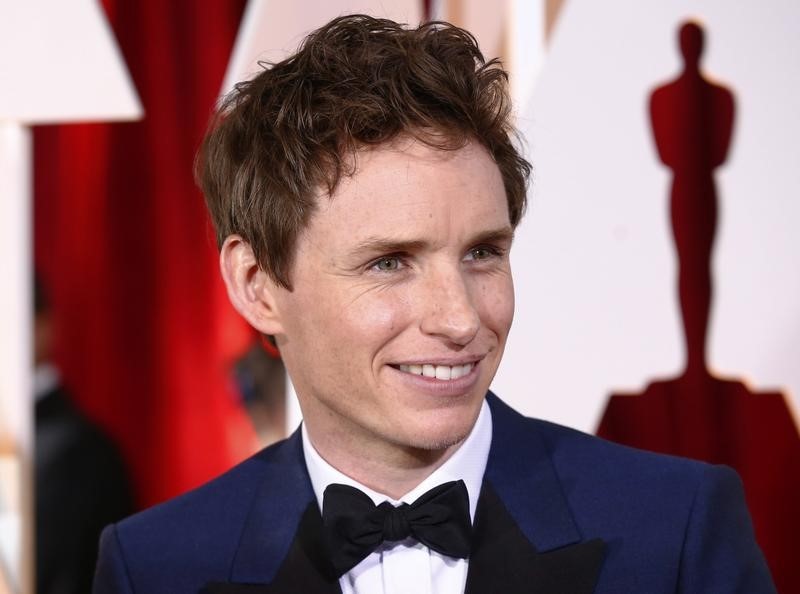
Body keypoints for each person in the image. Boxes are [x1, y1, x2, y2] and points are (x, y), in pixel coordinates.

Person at [93, 15, 775, 594]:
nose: (460, 319)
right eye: (390, 263)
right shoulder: (157, 565)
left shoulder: (676, 531)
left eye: (482, 253)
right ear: (256, 284)